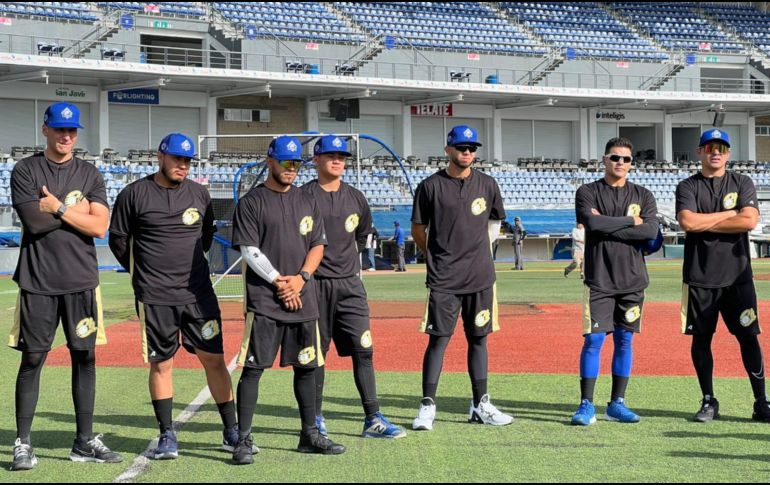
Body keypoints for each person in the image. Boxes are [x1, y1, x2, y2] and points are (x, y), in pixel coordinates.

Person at [109, 133, 242, 460]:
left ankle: (231, 430)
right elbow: (119, 241)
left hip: (198, 295)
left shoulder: (200, 193)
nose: (182, 165)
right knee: (161, 363)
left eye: (187, 161)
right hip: (155, 297)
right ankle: (167, 434)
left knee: (213, 359)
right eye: (176, 159)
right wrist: (146, 274)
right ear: (161, 157)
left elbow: (206, 237)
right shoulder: (134, 194)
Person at [8, 102, 122, 470]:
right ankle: (23, 442)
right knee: (33, 358)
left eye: (71, 131)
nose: (66, 136)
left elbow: (100, 228)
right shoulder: (26, 170)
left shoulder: (89, 172)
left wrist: (57, 207)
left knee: (84, 357)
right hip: (38, 280)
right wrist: (81, 212)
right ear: (45, 129)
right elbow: (33, 223)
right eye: (59, 129)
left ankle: (83, 441)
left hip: (81, 282)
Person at [230, 135, 345, 465]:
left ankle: (309, 434)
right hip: (265, 301)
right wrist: (280, 282)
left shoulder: (308, 200)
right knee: (253, 370)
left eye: (296, 164)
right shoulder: (253, 201)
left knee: (308, 367)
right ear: (270, 161)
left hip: (303, 298)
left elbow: (318, 245)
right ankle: (244, 439)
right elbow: (249, 250)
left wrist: (301, 279)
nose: (292, 169)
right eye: (285, 162)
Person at [302, 135, 406, 440]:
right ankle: (315, 418)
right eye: (331, 155)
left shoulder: (357, 198)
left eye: (342, 156)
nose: (338, 160)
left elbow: (361, 238)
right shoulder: (302, 196)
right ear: (317, 160)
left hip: (350, 286)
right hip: (315, 286)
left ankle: (373, 417)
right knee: (315, 354)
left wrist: (346, 267)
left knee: (364, 349)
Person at [411, 125, 512, 431]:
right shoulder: (430, 186)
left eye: (472, 148)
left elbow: (495, 221)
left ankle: (481, 404)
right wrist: (437, 255)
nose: (467, 153)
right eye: (461, 148)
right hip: (444, 277)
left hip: (480, 276)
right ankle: (427, 406)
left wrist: (480, 250)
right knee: (438, 341)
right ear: (448, 150)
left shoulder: (488, 183)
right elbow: (418, 229)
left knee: (479, 340)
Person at [676, 129, 770, 423]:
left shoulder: (742, 182)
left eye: (721, 147)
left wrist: (709, 221)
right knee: (702, 340)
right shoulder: (688, 186)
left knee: (749, 339)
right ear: (699, 151)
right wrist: (729, 216)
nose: (715, 152)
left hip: (737, 279)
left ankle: (761, 402)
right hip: (700, 278)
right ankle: (708, 400)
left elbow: (750, 220)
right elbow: (688, 222)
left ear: (728, 153)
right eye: (709, 147)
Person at [571, 137, 658, 426]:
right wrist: (631, 222)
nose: (620, 163)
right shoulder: (587, 192)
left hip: (633, 281)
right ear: (604, 160)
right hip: (599, 279)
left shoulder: (644, 195)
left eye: (626, 159)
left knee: (624, 341)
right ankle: (586, 404)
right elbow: (592, 225)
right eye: (614, 157)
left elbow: (649, 233)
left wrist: (610, 225)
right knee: (594, 340)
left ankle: (616, 403)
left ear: (632, 163)